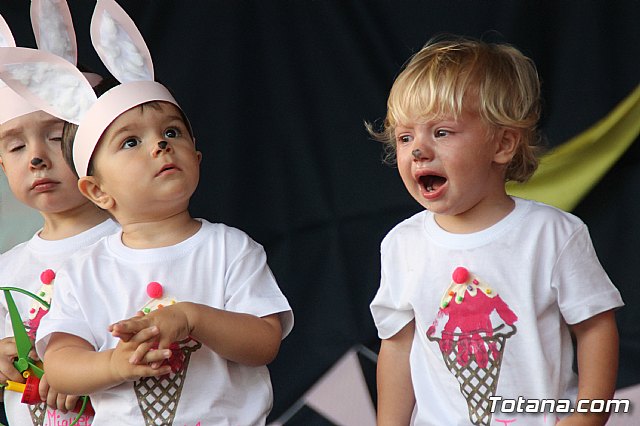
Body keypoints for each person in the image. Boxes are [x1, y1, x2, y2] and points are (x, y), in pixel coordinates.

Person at [0, 0, 294, 423]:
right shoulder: (88, 268)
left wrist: (193, 318)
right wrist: (114, 365)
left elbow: (265, 342)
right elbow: (62, 360)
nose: (159, 146)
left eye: (171, 132)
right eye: (131, 142)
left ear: (197, 156)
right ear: (98, 189)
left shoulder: (230, 247)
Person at [368, 36, 623, 426]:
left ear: (503, 144)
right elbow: (398, 346)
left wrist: (586, 418)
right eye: (405, 137)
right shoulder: (402, 245)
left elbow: (595, 329)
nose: (417, 150)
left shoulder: (552, 235)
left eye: (441, 132)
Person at [0, 8, 117, 426]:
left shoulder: (135, 244)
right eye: (15, 148)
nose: (36, 157)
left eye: (54, 137)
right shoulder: (6, 270)